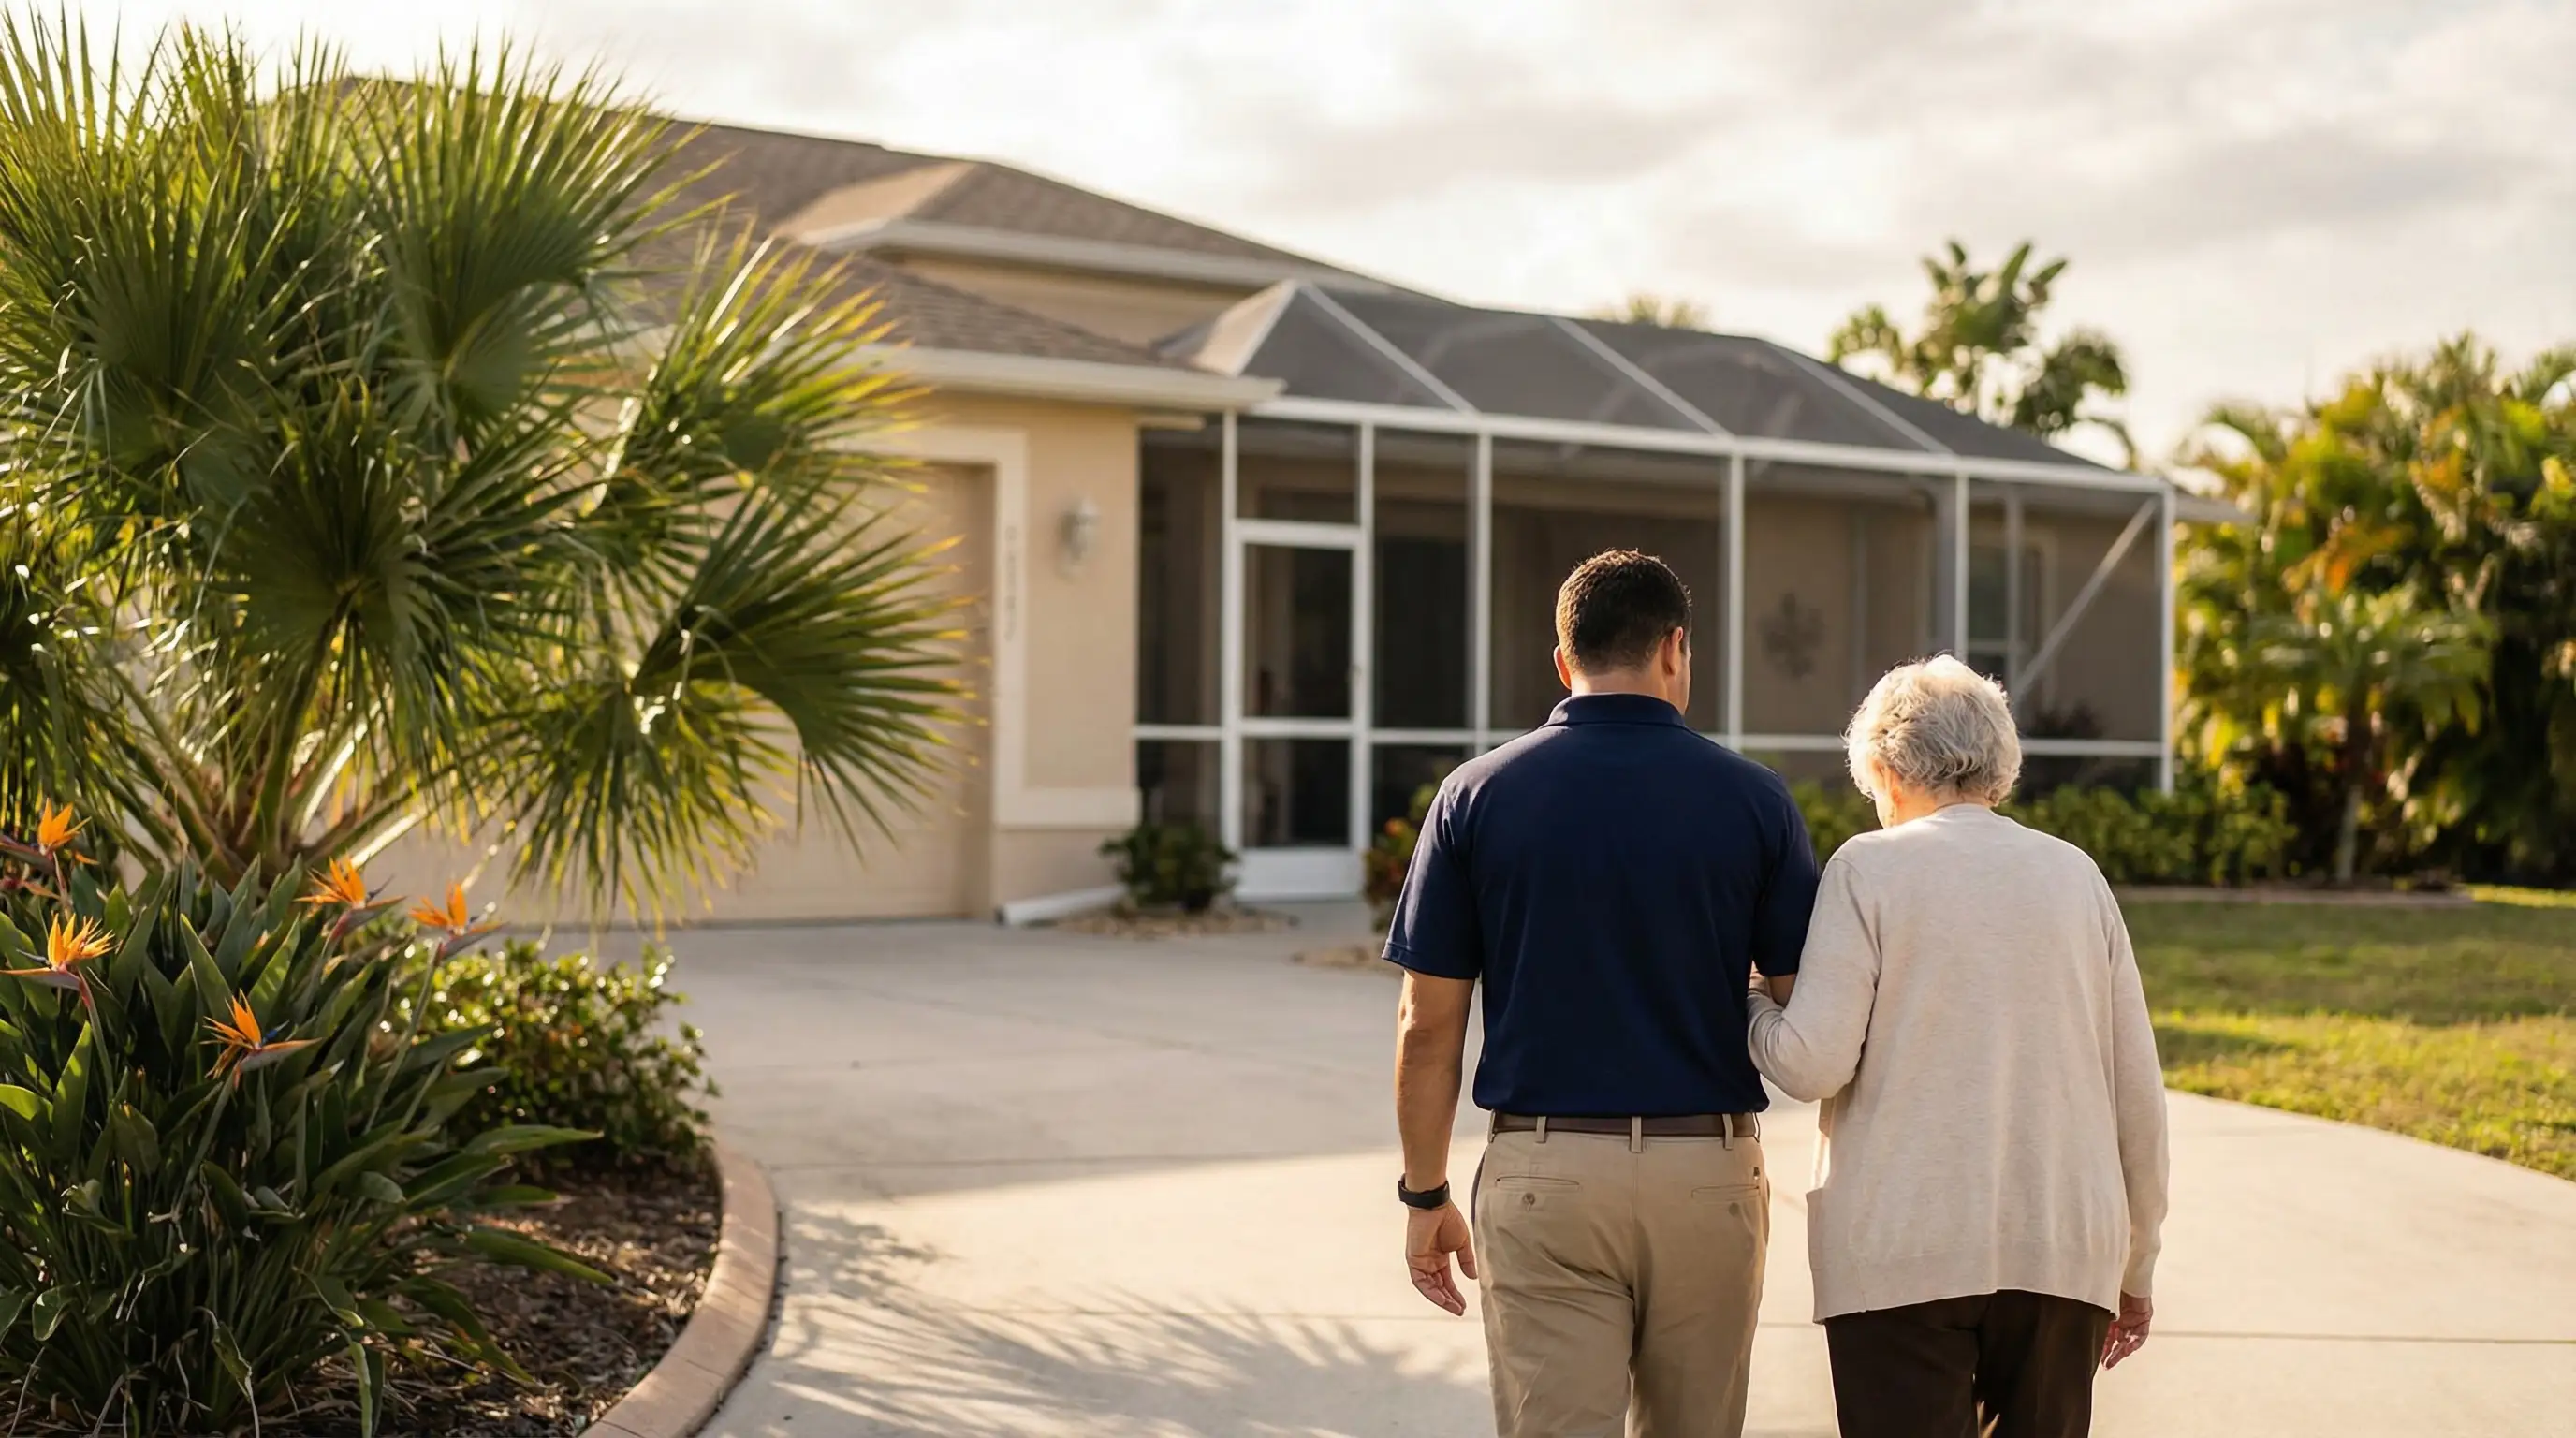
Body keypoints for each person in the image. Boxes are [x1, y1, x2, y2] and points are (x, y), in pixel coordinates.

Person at [1386, 549, 1820, 1438]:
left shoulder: (1475, 796)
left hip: (1545, 1177)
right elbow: (1803, 1008)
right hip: (1708, 1172)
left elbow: (1427, 1027)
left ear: (1562, 660)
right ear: (1673, 650)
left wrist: (1425, 1196)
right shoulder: (1755, 801)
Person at [1745, 655, 2170, 1438]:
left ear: (1884, 768)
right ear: (2000, 768)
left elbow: (1810, 1061)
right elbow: (2137, 1095)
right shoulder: (2077, 876)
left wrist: (1750, 1004)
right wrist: (2135, 1265)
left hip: (1899, 1255)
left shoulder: (1868, 869)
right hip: (2063, 1252)